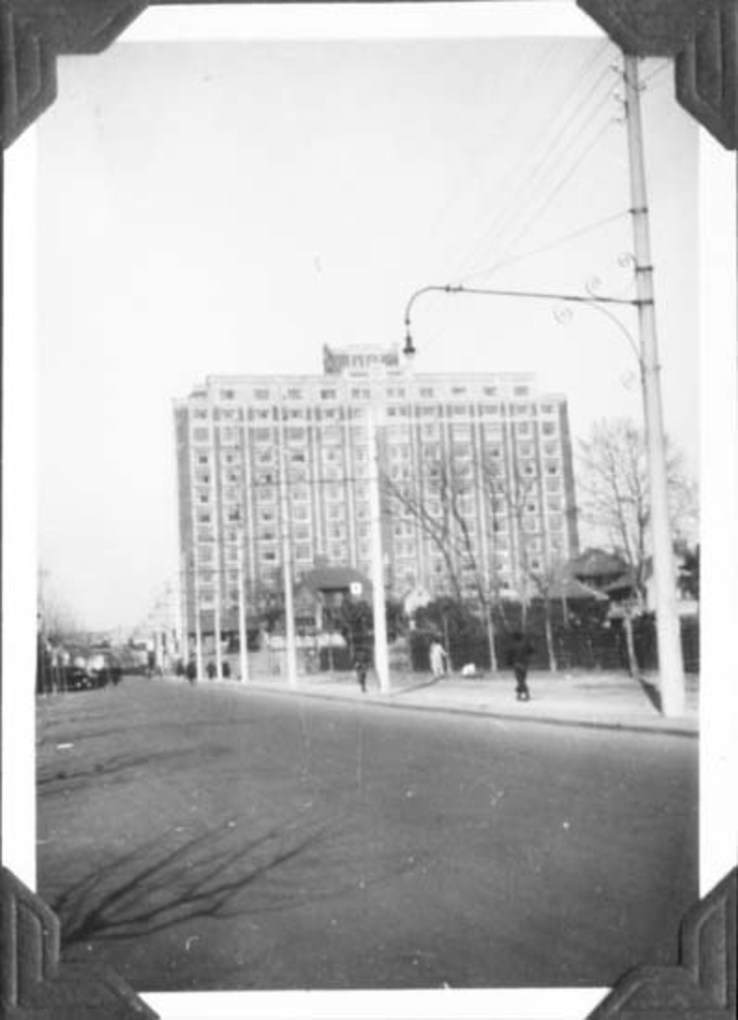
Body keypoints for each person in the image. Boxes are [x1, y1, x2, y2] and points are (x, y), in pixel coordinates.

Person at [507, 631, 534, 701]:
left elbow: (509, 656)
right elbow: (532, 650)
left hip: (517, 664)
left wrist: (509, 663)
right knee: (522, 680)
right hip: (525, 664)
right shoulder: (525, 644)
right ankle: (519, 695)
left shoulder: (512, 645)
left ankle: (527, 694)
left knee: (520, 681)